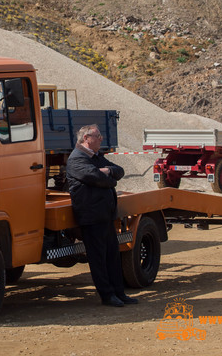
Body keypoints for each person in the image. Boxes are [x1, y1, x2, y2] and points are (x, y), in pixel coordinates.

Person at [66, 124, 138, 307]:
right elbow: (96, 178)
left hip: (105, 215)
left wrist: (108, 172)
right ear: (86, 138)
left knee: (112, 255)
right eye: (97, 136)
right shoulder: (77, 159)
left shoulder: (97, 157)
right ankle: (107, 295)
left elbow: (119, 171)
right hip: (91, 216)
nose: (101, 139)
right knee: (99, 258)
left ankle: (119, 293)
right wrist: (106, 176)